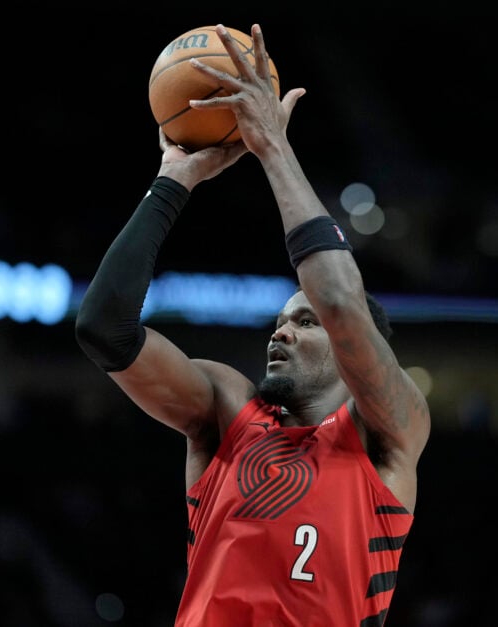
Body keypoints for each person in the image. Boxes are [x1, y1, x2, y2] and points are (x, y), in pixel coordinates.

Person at [75, 23, 430, 627]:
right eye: (280, 321)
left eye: (304, 322)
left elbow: (340, 301)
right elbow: (104, 329)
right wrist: (174, 181)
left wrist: (272, 146)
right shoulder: (227, 408)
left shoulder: (388, 431)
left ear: (353, 349)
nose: (280, 332)